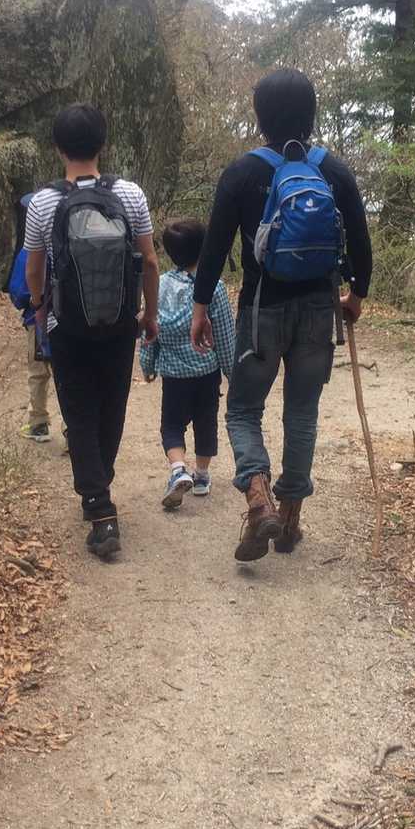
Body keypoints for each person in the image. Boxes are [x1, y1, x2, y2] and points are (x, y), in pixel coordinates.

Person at [191, 68, 372, 561]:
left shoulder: (243, 172)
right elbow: (360, 241)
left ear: (260, 116)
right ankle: (290, 520)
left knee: (243, 409)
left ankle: (258, 497)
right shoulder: (333, 171)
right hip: (317, 309)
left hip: (261, 309)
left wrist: (200, 306)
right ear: (311, 114)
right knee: (302, 412)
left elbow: (214, 247)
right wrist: (356, 296)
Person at [24, 103, 160, 560]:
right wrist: (149, 315)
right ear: (103, 143)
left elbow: (35, 269)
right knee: (111, 406)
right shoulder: (131, 194)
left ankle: (99, 506)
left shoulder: (43, 203)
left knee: (78, 411)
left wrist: (40, 309)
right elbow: (150, 261)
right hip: (120, 324)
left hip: (68, 328)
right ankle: (100, 482)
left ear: (58, 147)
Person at [140, 218, 235, 508]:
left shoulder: (160, 286)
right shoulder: (214, 287)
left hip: (173, 374)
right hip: (206, 372)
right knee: (206, 422)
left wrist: (148, 365)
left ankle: (178, 468)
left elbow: (150, 331)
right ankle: (202, 475)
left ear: (170, 253)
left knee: (171, 424)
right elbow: (224, 334)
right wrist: (233, 372)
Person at [7, 193, 56, 443]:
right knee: (67, 375)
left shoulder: (29, 252)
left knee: (38, 373)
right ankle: (72, 431)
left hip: (37, 320)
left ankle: (38, 424)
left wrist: (31, 303)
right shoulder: (68, 245)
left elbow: (18, 290)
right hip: (68, 320)